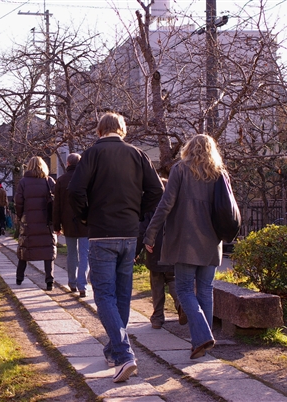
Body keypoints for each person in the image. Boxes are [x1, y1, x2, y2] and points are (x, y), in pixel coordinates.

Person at [69, 112, 163, 383]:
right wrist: (137, 214)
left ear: (99, 131)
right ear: (122, 130)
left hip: (101, 234)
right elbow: (156, 191)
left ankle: (123, 354)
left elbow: (75, 191)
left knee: (104, 296)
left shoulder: (91, 154)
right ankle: (113, 350)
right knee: (122, 296)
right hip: (129, 234)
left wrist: (86, 216)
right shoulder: (138, 154)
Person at [143, 134, 224, 360]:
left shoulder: (180, 170)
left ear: (189, 149)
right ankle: (202, 341)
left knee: (185, 290)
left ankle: (202, 337)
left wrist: (151, 233)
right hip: (212, 241)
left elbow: (165, 204)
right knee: (206, 290)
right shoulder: (219, 173)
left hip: (185, 241)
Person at [135, 178, 186, 329]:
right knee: (173, 280)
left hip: (154, 250)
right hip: (173, 251)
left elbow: (141, 230)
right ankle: (180, 305)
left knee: (156, 284)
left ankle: (157, 317)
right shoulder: (178, 206)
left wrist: (136, 252)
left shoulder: (151, 208)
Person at [15, 156, 57, 291]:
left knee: (25, 247)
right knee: (48, 249)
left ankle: (19, 277)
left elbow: (19, 202)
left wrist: (20, 216)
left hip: (29, 221)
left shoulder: (23, 182)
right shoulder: (48, 181)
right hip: (46, 221)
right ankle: (49, 280)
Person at [52, 153, 90, 297]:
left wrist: (56, 225)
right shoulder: (86, 179)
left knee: (71, 253)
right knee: (85, 254)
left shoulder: (61, 180)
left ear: (67, 163)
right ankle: (83, 285)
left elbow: (57, 206)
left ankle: (72, 282)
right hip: (85, 222)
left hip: (67, 222)